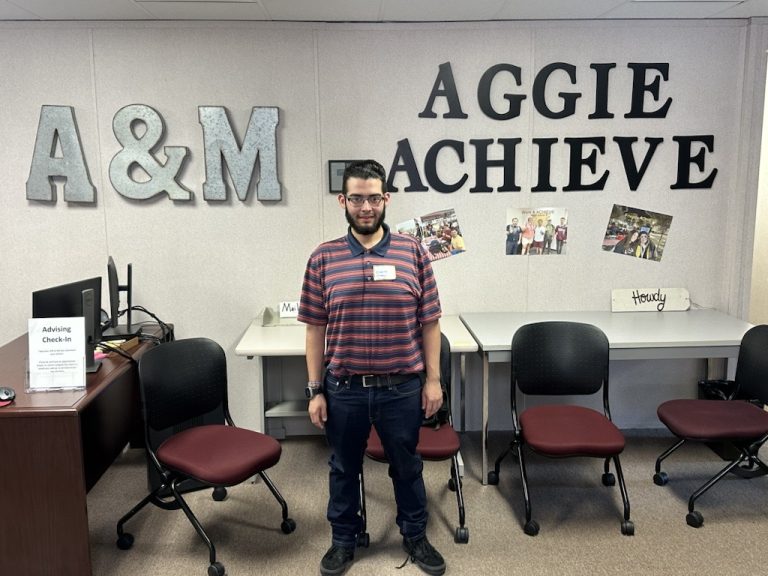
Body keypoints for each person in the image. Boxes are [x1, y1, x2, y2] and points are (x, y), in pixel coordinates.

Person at [298, 159, 446, 576]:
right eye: (357, 198)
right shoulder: (323, 258)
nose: (366, 207)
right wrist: (315, 389)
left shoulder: (412, 251)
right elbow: (314, 329)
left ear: (386, 199)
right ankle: (344, 539)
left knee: (407, 465)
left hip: (401, 388)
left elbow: (430, 321)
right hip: (344, 388)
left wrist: (433, 381)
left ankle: (415, 536)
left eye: (374, 198)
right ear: (343, 201)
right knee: (343, 467)